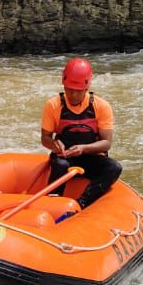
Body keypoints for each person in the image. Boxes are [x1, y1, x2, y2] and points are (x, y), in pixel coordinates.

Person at [41, 57, 122, 208]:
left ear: (86, 87)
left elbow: (106, 143)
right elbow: (45, 138)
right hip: (64, 157)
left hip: (91, 157)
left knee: (114, 168)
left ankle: (82, 203)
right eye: (69, 89)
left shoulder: (102, 106)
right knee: (60, 164)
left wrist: (84, 148)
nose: (72, 95)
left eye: (77, 91)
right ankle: (53, 203)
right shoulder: (52, 105)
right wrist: (54, 144)